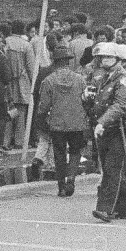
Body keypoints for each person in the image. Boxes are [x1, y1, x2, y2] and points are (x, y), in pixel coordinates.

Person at [87, 42, 126, 224]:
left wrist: (102, 122)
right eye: (102, 57)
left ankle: (105, 208)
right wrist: (87, 97)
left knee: (112, 168)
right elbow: (96, 102)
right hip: (105, 128)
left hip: (120, 127)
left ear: (118, 59)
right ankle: (122, 208)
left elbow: (121, 105)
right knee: (111, 168)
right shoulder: (102, 77)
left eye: (109, 57)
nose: (105, 60)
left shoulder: (125, 79)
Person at [36, 45, 91, 196]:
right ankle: (71, 179)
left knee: (59, 153)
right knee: (75, 151)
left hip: (57, 123)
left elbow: (44, 105)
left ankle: (61, 186)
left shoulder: (48, 81)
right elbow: (86, 100)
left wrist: (41, 119)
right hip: (77, 122)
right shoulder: (80, 80)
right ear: (68, 62)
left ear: (55, 62)